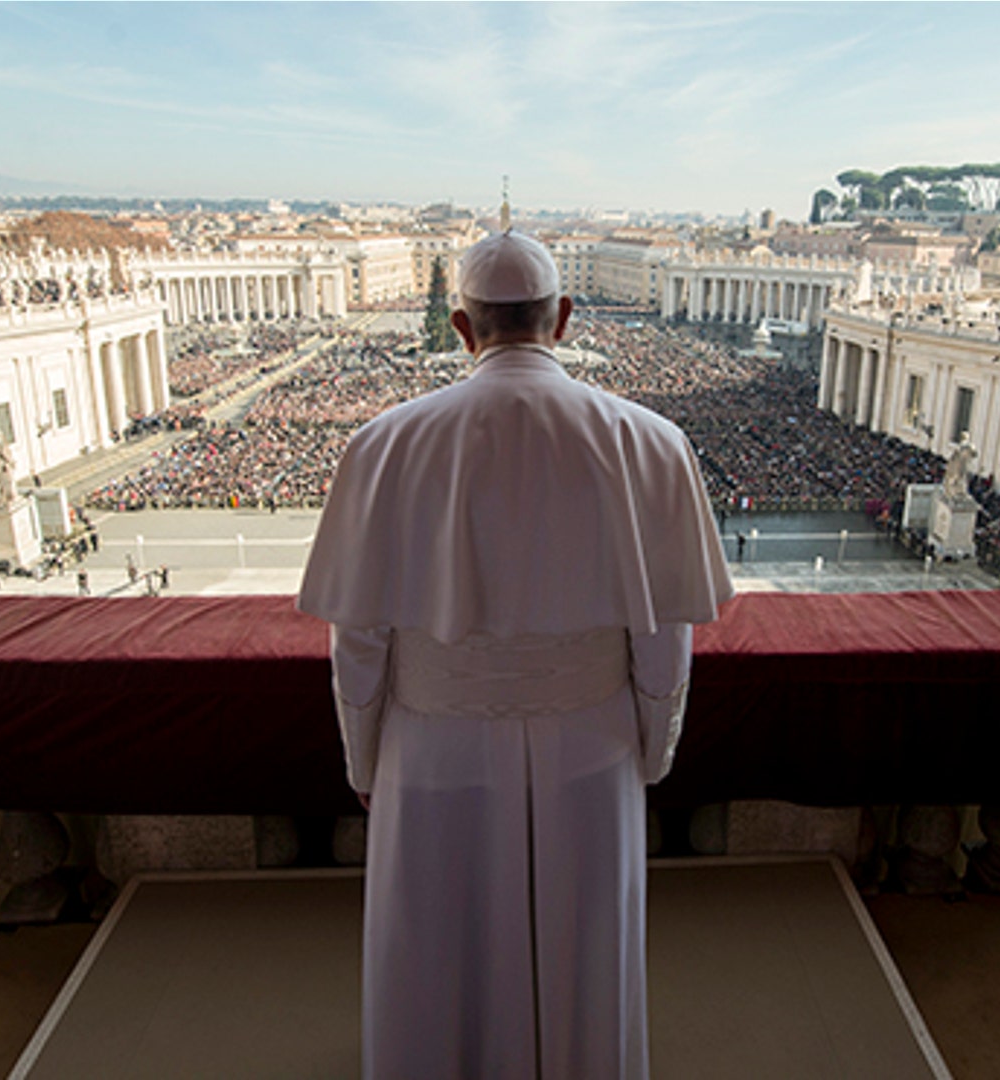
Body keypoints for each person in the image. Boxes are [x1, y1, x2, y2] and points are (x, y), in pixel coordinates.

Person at [299, 230, 733, 1079]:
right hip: (591, 739)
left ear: (462, 327)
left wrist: (366, 757)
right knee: (585, 942)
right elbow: (664, 639)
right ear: (564, 318)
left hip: (431, 745)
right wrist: (652, 749)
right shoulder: (650, 440)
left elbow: (358, 642)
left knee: (436, 941)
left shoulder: (383, 444)